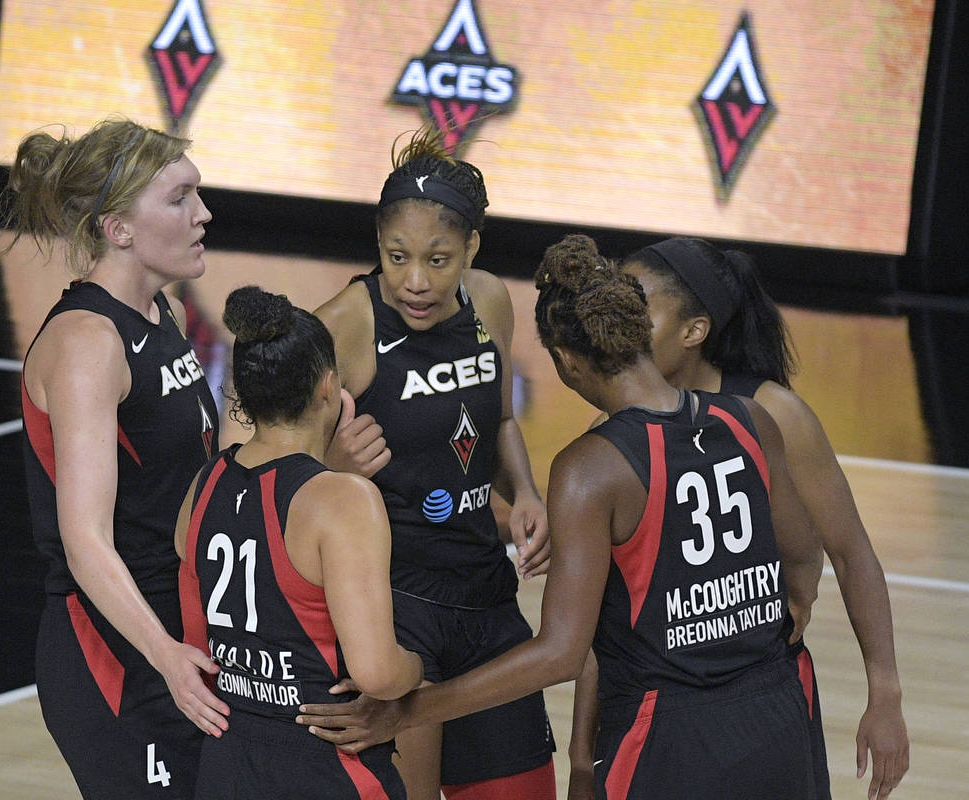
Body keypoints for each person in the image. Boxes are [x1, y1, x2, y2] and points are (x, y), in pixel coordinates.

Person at [300, 233, 826, 799]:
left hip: (670, 739)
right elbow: (802, 558)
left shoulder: (591, 468)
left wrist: (407, 712)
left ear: (569, 362)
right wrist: (777, 614)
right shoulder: (749, 420)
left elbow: (559, 653)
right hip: (781, 717)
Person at [565, 236, 909, 800]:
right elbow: (605, 622)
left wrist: (886, 693)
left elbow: (850, 553)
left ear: (694, 331)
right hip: (664, 713)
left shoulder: (773, 414)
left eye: (637, 304)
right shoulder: (613, 436)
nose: (619, 318)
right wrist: (583, 756)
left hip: (761, 700)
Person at [309, 128, 556, 799]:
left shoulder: (492, 302)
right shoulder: (344, 325)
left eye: (438, 260)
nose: (415, 281)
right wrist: (333, 462)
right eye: (397, 257)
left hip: (484, 591)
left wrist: (525, 493)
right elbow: (266, 466)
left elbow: (499, 418)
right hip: (394, 602)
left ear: (473, 246)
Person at [4, 117, 228, 799]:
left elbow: (183, 478)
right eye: (179, 198)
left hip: (182, 634)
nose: (203, 213)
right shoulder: (87, 345)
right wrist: (164, 656)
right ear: (118, 228)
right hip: (119, 654)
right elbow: (86, 541)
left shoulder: (160, 314)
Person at [175, 285, 423, 798]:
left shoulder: (204, 486)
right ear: (329, 387)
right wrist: (416, 668)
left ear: (240, 392)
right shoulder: (342, 499)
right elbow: (377, 673)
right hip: (324, 763)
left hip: (228, 763)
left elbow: (198, 649)